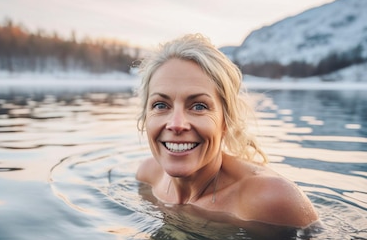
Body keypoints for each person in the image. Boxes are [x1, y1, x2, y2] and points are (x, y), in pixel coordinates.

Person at [135, 34, 318, 228]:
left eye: (198, 106)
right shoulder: (148, 176)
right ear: (146, 116)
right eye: (161, 105)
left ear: (225, 120)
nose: (177, 124)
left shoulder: (270, 199)